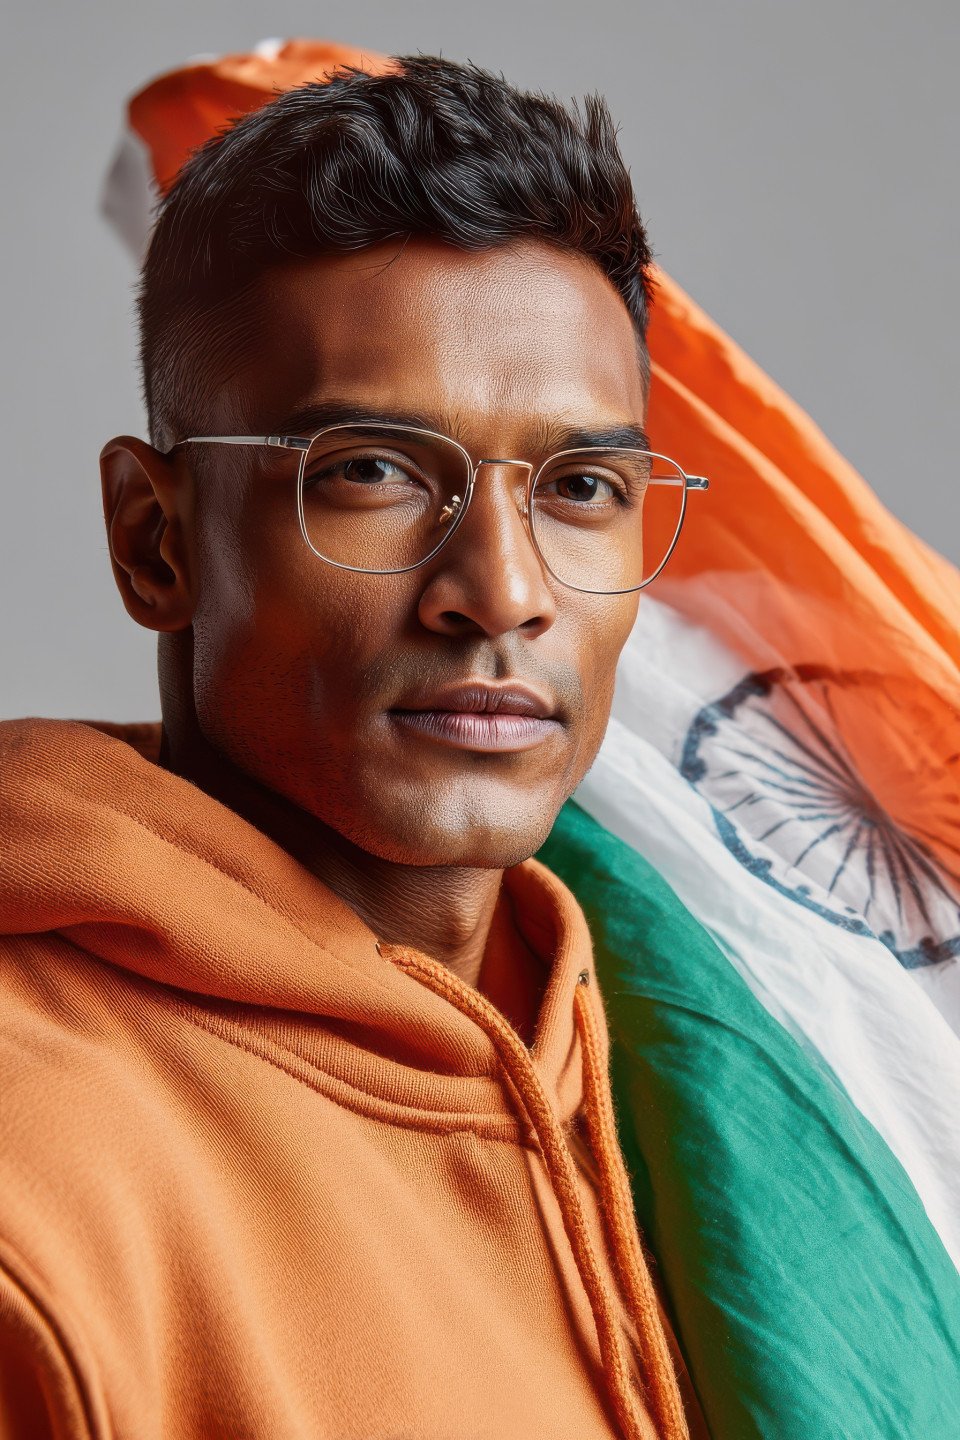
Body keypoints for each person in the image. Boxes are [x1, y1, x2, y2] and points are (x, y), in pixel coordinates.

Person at [0, 54, 711, 1440]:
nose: (502, 590)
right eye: (373, 472)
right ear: (155, 541)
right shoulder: (35, 1178)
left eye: (579, 487)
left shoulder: (691, 1098)